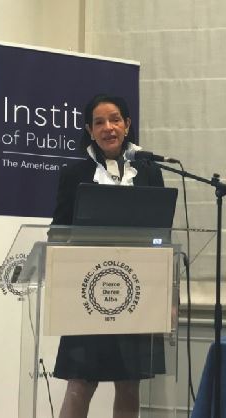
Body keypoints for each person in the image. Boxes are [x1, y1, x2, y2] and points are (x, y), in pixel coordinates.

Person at [51, 94, 165, 418]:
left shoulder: (149, 172)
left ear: (127, 125)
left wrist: (168, 296)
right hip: (87, 291)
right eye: (99, 122)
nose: (108, 128)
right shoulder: (74, 174)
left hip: (136, 291)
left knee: (129, 384)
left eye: (115, 119)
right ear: (90, 130)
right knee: (80, 383)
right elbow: (58, 232)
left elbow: (162, 234)